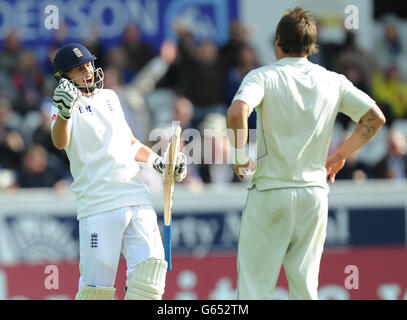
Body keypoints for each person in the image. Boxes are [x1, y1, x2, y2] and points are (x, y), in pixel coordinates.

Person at [226, 7, 386, 300]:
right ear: (311, 46)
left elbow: (238, 112)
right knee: (305, 291)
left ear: (277, 41)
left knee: (254, 290)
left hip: (270, 192)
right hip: (313, 194)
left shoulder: (262, 76)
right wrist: (340, 155)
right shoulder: (332, 80)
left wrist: (238, 156)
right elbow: (375, 118)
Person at [50, 43, 187, 300]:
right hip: (99, 205)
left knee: (150, 278)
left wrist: (159, 163)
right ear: (64, 77)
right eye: (80, 69)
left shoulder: (110, 97)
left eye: (90, 64)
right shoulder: (60, 107)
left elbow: (130, 142)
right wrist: (65, 111)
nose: (89, 71)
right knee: (96, 292)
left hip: (136, 195)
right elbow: (60, 141)